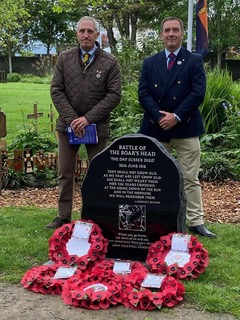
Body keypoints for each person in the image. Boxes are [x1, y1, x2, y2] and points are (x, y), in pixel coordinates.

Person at [138, 16, 216, 238]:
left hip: (186, 127)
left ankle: (196, 221)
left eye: (175, 30)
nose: (171, 34)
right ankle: (155, 218)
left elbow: (198, 93)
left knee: (190, 178)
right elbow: (143, 93)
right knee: (154, 177)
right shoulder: (149, 63)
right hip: (155, 128)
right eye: (167, 30)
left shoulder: (194, 60)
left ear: (182, 33)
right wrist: (160, 117)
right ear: (161, 35)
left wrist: (177, 116)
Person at [45, 16, 121, 229]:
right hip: (67, 127)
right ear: (77, 34)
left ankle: (94, 217)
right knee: (65, 172)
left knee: (97, 173)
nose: (86, 35)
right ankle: (63, 216)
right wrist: (72, 119)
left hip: (97, 127)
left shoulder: (110, 62)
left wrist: (88, 119)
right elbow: (56, 90)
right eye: (82, 31)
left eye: (90, 31)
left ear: (97, 35)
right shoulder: (64, 58)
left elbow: (114, 95)